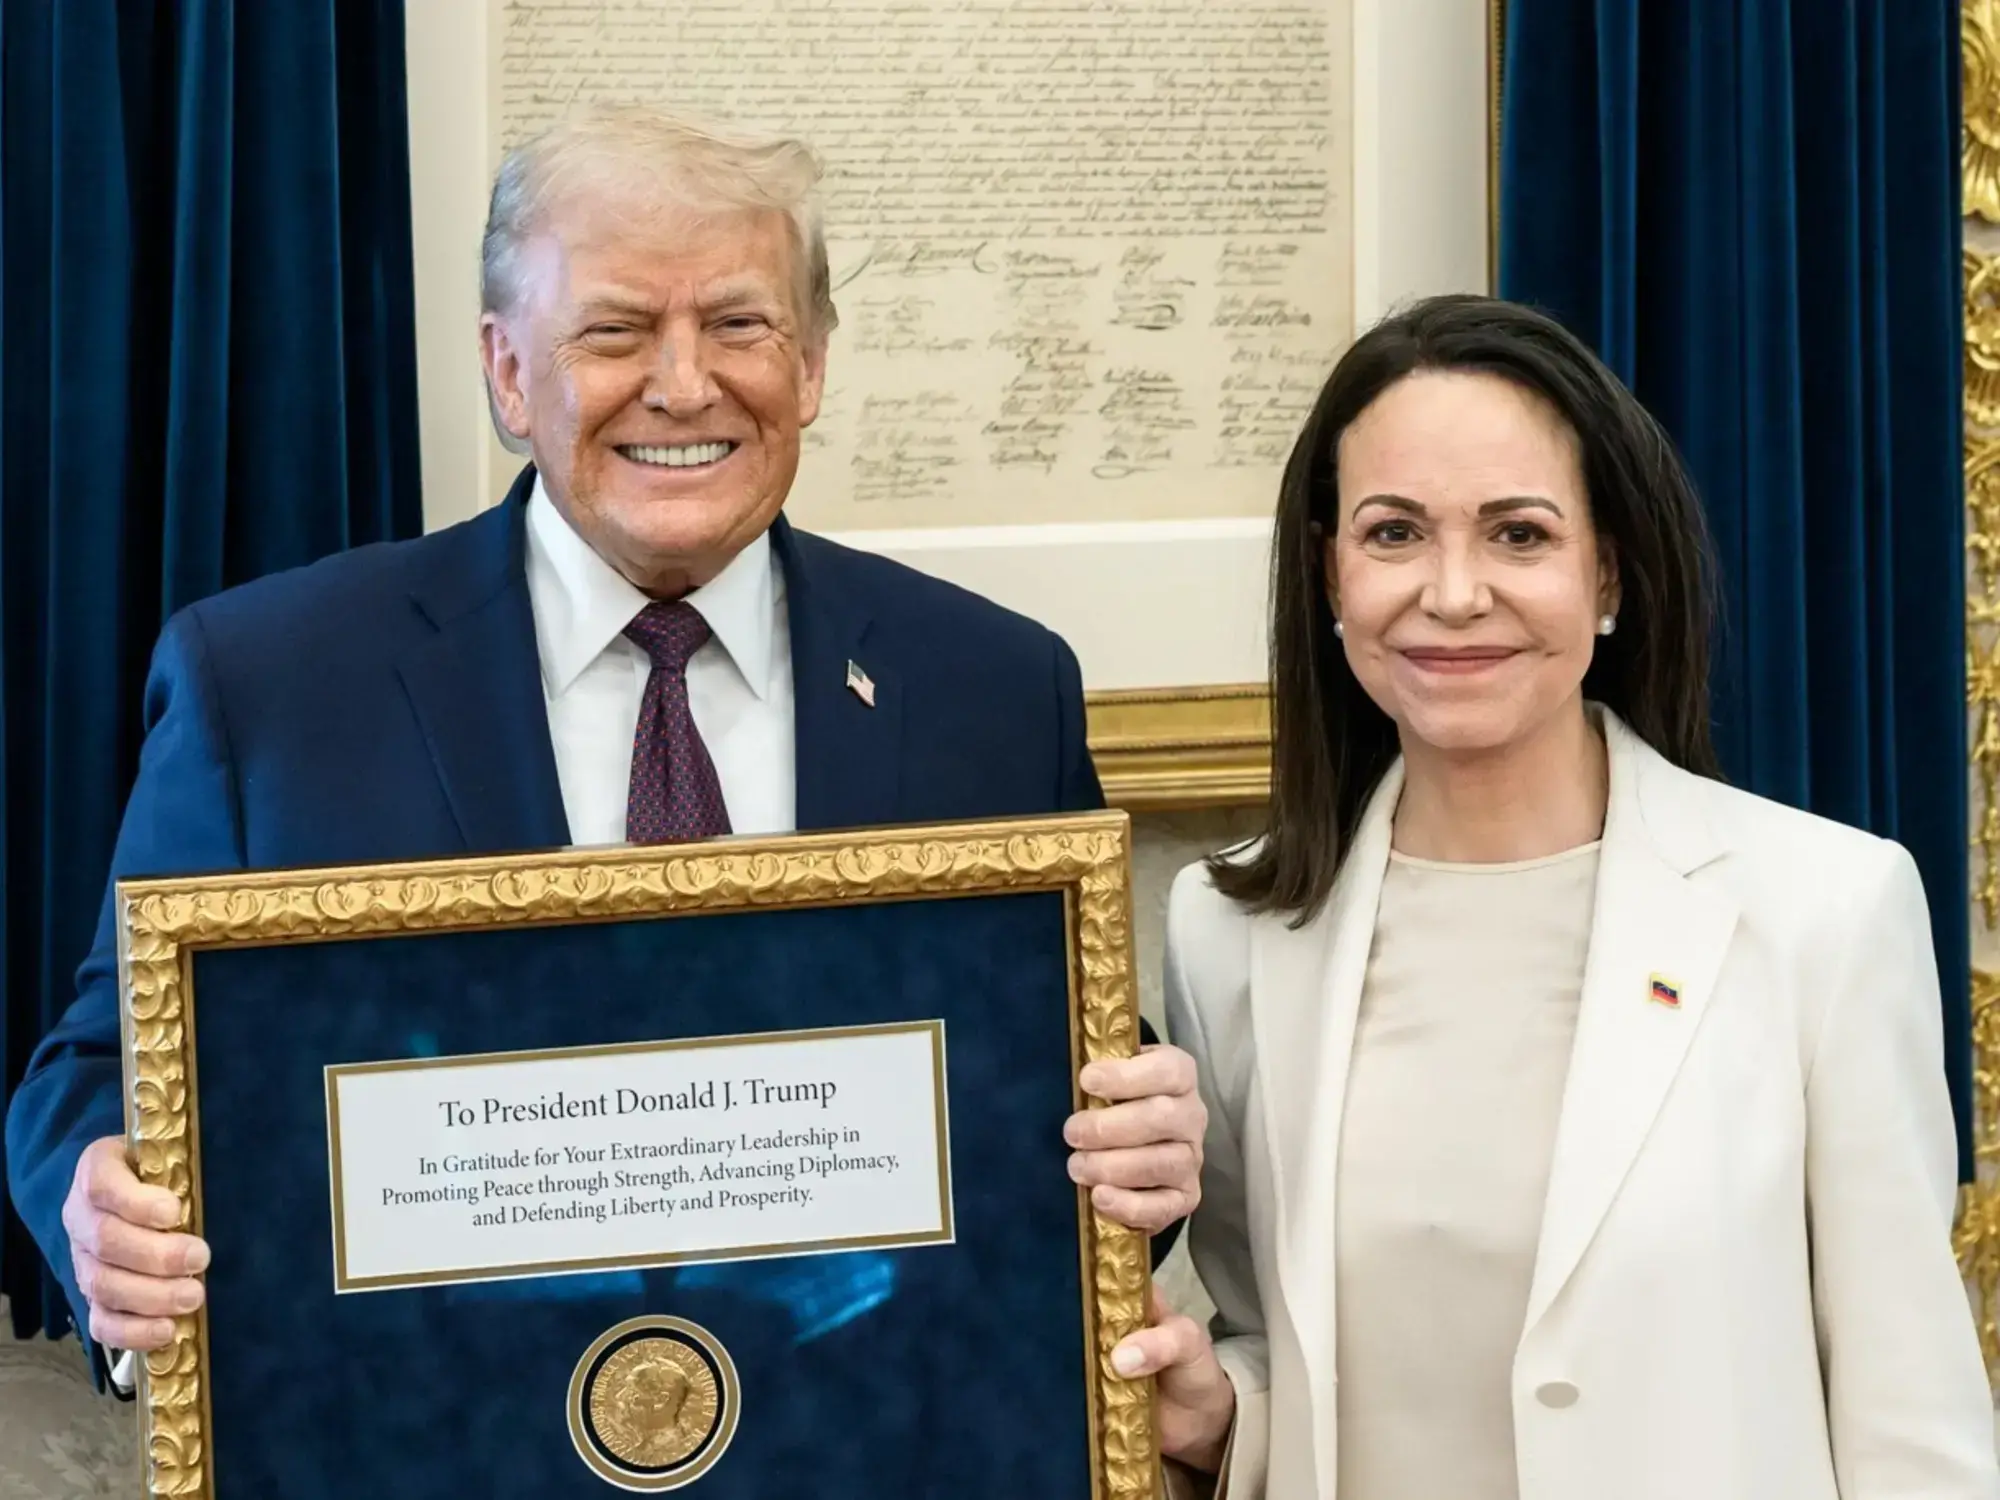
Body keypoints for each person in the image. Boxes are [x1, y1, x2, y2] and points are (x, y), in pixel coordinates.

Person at [4, 108, 1202, 1391]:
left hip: (870, 1433)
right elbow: (108, 1062)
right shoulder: (271, 685)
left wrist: (1140, 1150)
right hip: (419, 1438)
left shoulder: (991, 684)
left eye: (738, 326)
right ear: (509, 373)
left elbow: (1066, 1082)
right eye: (616, 331)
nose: (683, 386)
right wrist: (106, 1218)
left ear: (810, 365)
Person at [1115, 294, 2000, 1499]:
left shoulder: (1824, 912)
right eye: (1392, 534)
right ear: (1327, 572)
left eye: (1517, 535)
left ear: (1608, 576)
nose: (1453, 592)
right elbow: (1275, 1344)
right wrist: (1222, 1413)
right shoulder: (1227, 928)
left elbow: (1912, 1423)